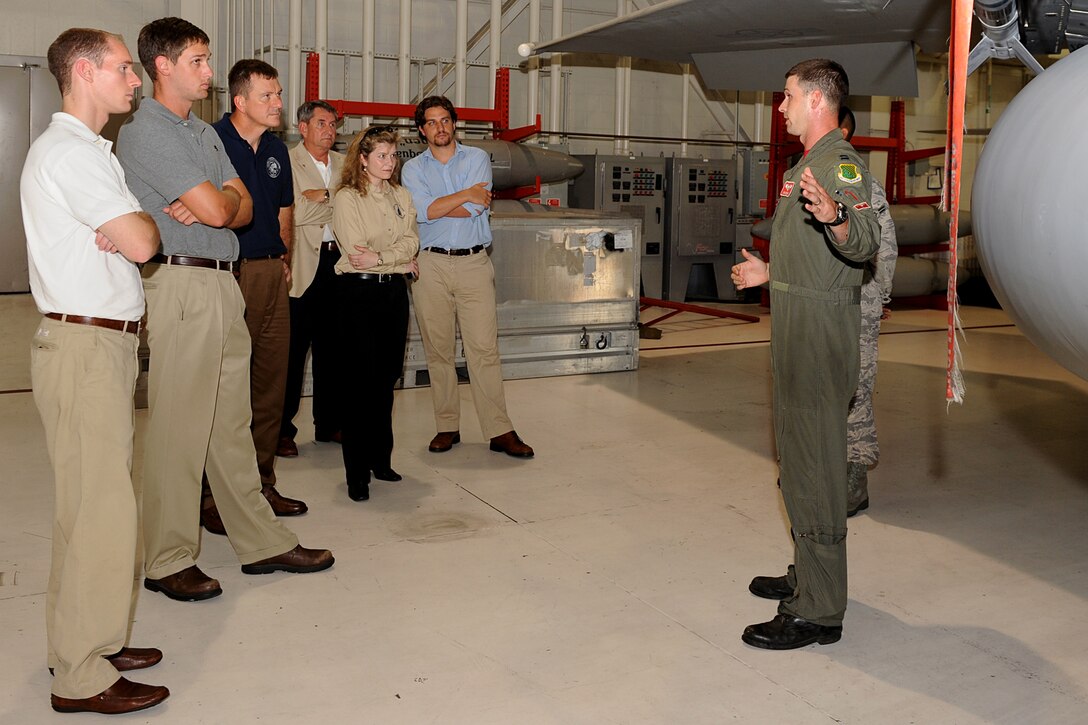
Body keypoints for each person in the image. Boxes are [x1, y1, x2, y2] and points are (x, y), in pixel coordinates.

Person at [117, 16, 332, 604]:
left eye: (208, 61)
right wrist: (217, 201)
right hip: (181, 284)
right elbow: (218, 210)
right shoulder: (147, 132)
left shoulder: (205, 136)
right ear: (162, 65)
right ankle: (167, 558)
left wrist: (222, 199)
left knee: (230, 427)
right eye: (198, 61)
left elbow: (240, 209)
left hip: (223, 280)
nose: (208, 72)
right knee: (178, 432)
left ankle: (260, 540)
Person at [21, 28, 169, 714]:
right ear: (84, 71)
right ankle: (80, 673)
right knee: (99, 511)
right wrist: (136, 225)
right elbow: (143, 240)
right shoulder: (71, 154)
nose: (134, 81)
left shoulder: (87, 151)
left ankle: (89, 638)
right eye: (123, 69)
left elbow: (131, 236)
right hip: (84, 350)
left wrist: (130, 226)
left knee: (92, 506)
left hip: (97, 346)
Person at [731, 59, 879, 649]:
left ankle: (819, 610)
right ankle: (807, 573)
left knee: (815, 469)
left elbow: (862, 241)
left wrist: (838, 217)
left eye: (788, 96)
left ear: (817, 100)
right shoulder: (805, 167)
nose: (780, 106)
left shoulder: (840, 165)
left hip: (818, 337)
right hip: (800, 325)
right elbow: (812, 260)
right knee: (797, 462)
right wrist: (770, 272)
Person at [203, 58, 307, 528]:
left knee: (270, 384)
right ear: (239, 100)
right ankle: (213, 494)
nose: (278, 104)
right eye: (268, 96)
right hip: (227, 273)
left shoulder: (276, 150)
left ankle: (262, 484)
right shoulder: (209, 141)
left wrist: (284, 258)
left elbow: (285, 208)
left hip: (269, 272)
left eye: (279, 94)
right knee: (225, 389)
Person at [400, 96, 533, 459]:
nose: (440, 127)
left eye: (445, 120)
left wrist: (448, 204)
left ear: (454, 124)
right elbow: (423, 212)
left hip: (474, 264)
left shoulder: (476, 158)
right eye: (432, 122)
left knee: (484, 349)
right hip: (430, 267)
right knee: (438, 350)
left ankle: (499, 430)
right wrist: (461, 197)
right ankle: (447, 426)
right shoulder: (412, 170)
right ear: (421, 129)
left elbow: (477, 206)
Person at [331, 126, 420, 501]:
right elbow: (356, 251)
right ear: (363, 160)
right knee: (359, 384)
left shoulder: (401, 194)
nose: (389, 162)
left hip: (393, 296)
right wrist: (400, 260)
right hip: (359, 293)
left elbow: (414, 239)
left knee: (386, 380)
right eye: (381, 156)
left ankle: (380, 460)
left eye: (393, 155)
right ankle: (356, 473)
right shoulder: (348, 198)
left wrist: (387, 259)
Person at [837, 106, 898, 517]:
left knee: (854, 394)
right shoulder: (817, 176)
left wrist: (873, 299)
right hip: (826, 305)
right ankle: (823, 475)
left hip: (856, 304)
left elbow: (883, 245)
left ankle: (854, 484)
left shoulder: (856, 181)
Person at [279, 100, 345, 456]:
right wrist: (333, 199)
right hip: (302, 267)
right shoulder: (286, 162)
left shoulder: (346, 165)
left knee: (332, 351)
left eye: (333, 124)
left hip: (338, 263)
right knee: (292, 354)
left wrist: (322, 196)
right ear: (302, 127)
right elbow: (294, 211)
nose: (329, 130)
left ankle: (329, 424)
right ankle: (282, 431)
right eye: (322, 123)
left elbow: (354, 206)